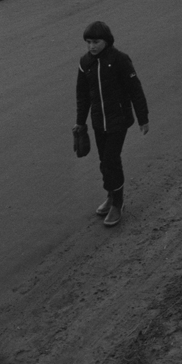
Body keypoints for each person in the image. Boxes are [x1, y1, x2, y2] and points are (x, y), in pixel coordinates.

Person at [74, 21, 149, 228]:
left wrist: (143, 118)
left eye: (96, 42)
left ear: (106, 40)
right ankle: (110, 194)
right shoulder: (85, 63)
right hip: (99, 121)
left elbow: (135, 89)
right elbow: (82, 96)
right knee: (103, 161)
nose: (92, 46)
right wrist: (80, 123)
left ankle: (118, 203)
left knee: (111, 160)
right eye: (88, 42)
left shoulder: (120, 60)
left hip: (119, 120)